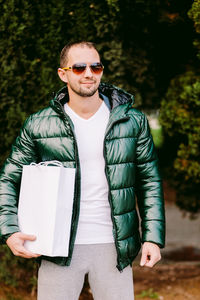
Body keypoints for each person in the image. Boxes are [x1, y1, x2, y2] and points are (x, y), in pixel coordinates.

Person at [0, 41, 165, 300]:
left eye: (95, 66)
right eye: (79, 68)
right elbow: (8, 179)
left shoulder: (131, 121)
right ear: (62, 74)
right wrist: (9, 230)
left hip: (115, 247)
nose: (89, 73)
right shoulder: (39, 124)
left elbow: (150, 182)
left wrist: (152, 238)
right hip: (57, 247)